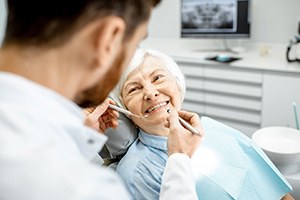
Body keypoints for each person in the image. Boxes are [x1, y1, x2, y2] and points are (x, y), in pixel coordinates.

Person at [0, 1, 203, 200]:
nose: (150, 92)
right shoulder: (87, 188)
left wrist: (78, 140)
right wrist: (179, 160)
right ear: (109, 38)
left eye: (158, 77)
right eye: (137, 44)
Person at [109, 49, 294, 200]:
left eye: (157, 78)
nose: (150, 93)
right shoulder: (137, 173)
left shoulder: (213, 129)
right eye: (134, 89)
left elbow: (276, 190)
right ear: (125, 108)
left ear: (178, 84)